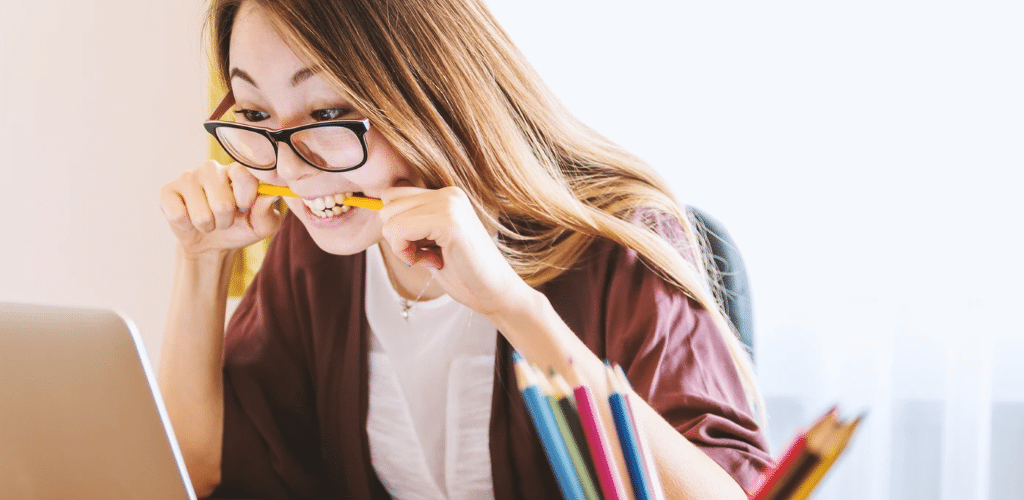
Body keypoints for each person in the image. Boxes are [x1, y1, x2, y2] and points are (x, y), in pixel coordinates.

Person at [157, 0, 773, 498]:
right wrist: (202, 261)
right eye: (259, 114)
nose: (292, 169)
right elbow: (195, 469)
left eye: (326, 111)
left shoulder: (617, 243)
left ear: (430, 93)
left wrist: (514, 307)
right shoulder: (319, 250)